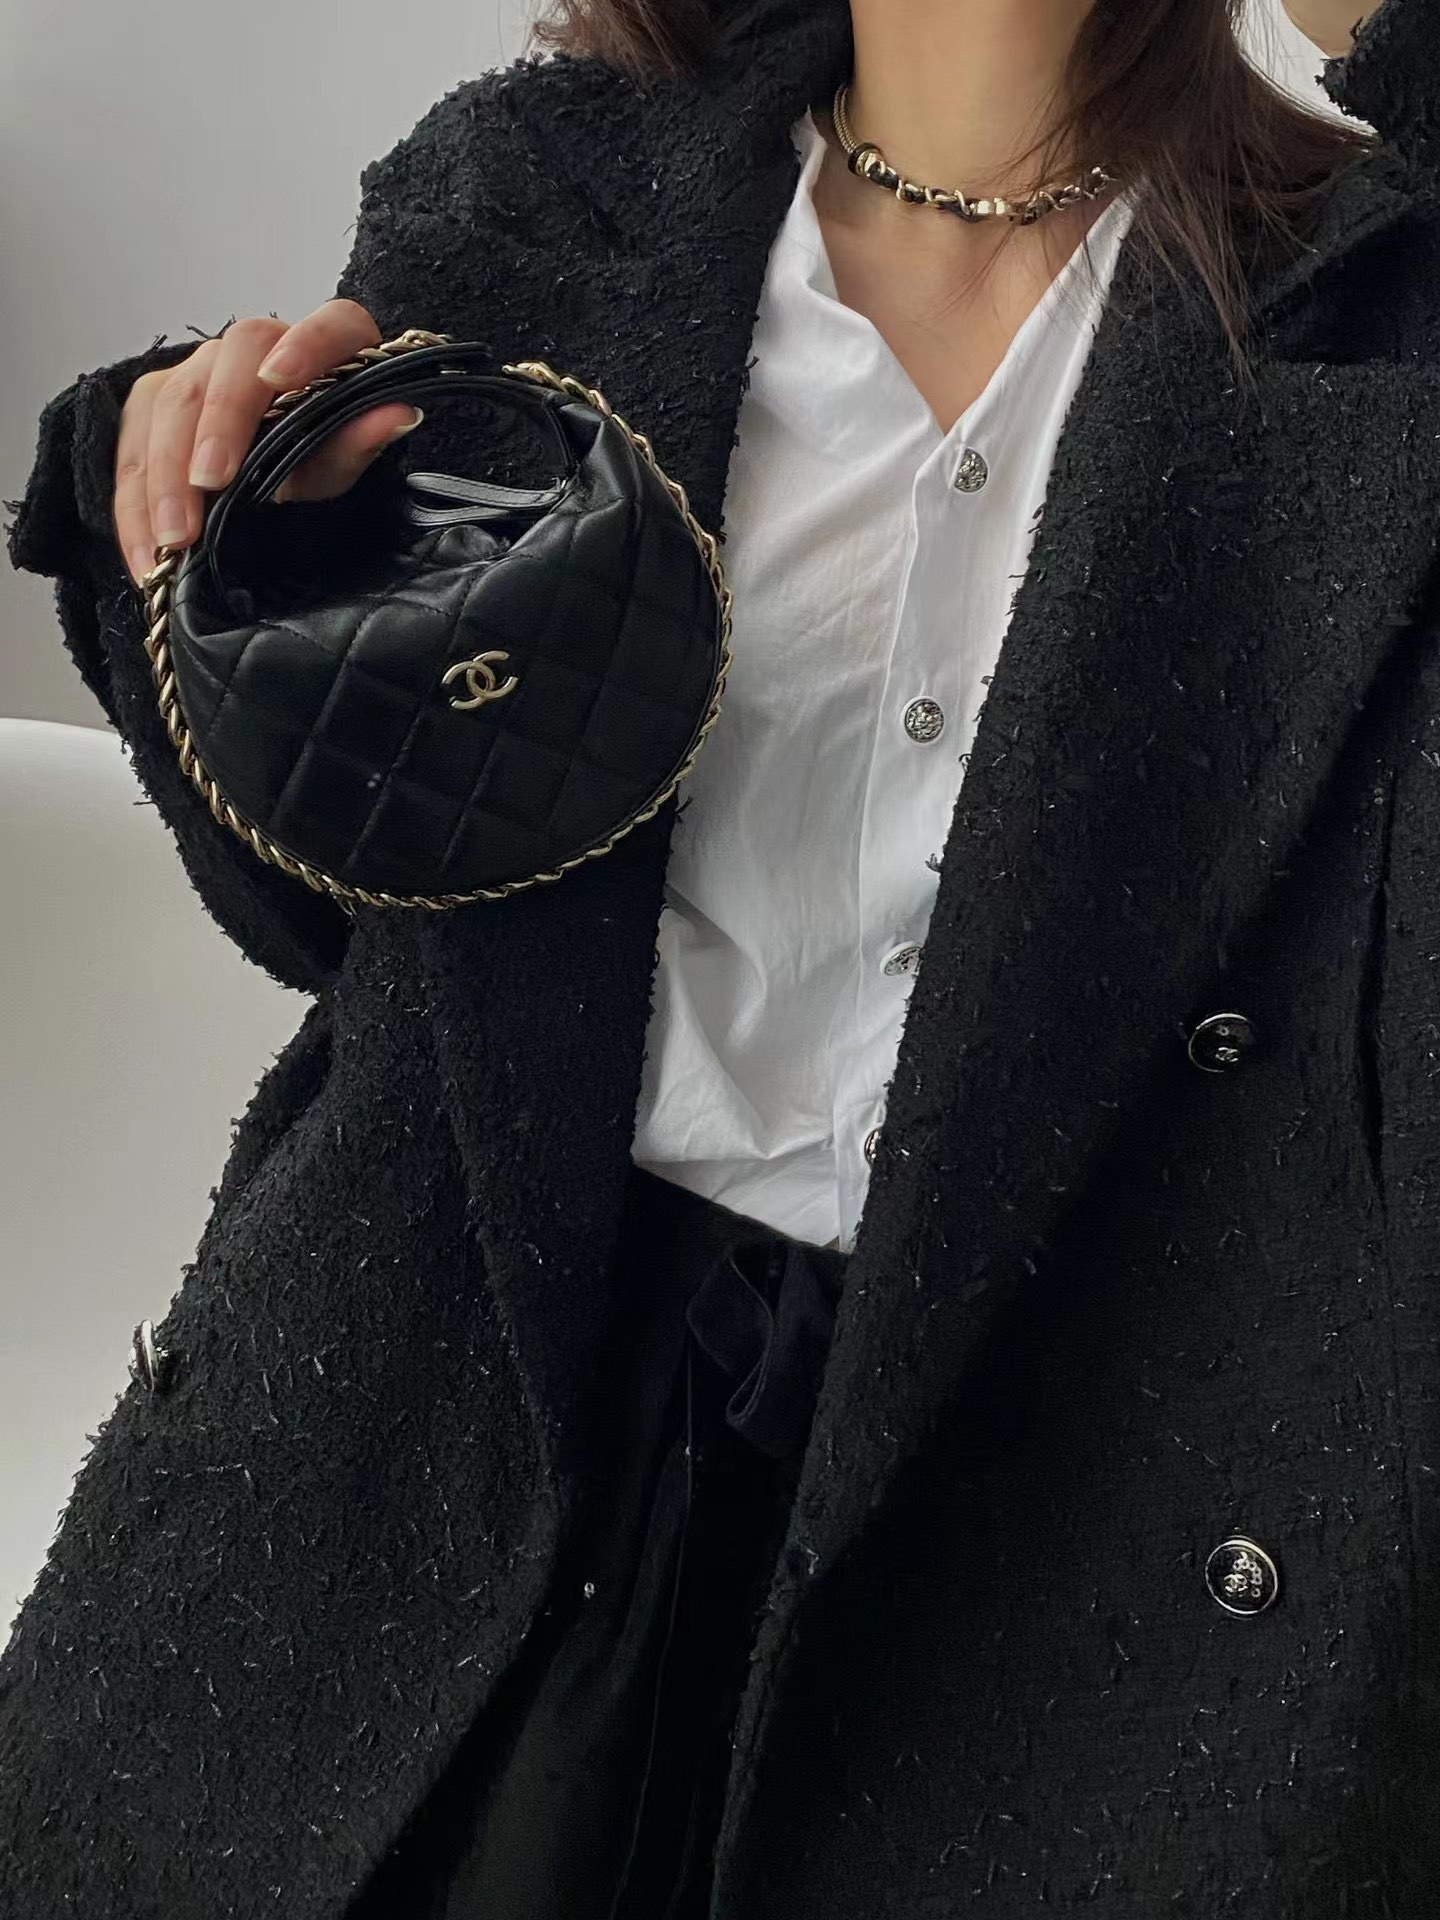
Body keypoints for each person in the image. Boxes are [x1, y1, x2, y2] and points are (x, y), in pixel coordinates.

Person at [3, 0, 1438, 1912]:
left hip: (1056, 1478)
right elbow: (339, 935)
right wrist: (215, 537)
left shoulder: (1369, 301)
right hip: (459, 1419)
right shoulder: (545, 194)